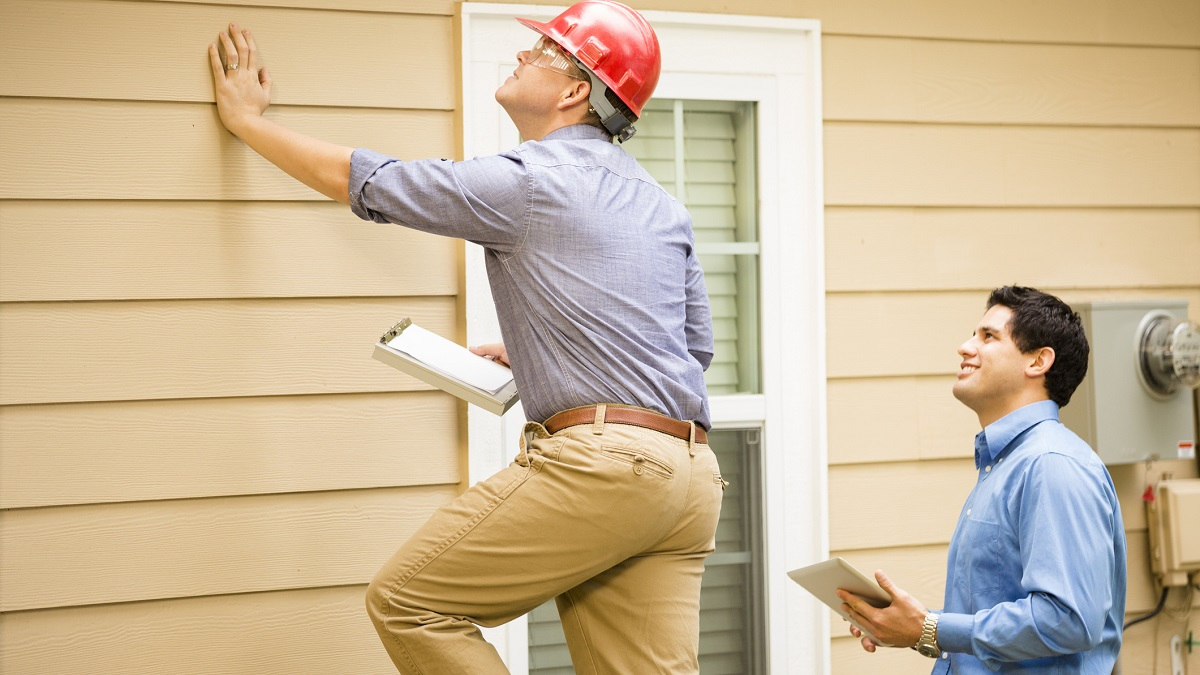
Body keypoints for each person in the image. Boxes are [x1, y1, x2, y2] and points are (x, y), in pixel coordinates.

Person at [207, 2, 723, 673]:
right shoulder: (661, 203)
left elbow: (370, 182)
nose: (521, 55)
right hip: (689, 479)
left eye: (541, 51)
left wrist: (246, 122)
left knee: (409, 602)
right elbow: (692, 349)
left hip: (604, 469)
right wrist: (548, 346)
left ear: (574, 91)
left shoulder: (530, 181)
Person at [837, 285, 1127, 673]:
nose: (965, 346)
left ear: (1038, 361)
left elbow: (1069, 620)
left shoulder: (1052, 464)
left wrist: (932, 627)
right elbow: (996, 628)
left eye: (988, 336)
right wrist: (911, 628)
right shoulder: (1004, 464)